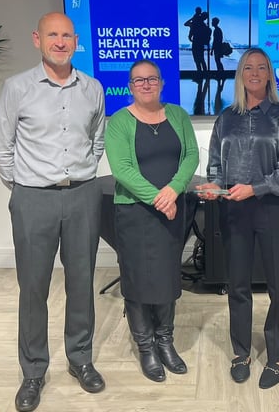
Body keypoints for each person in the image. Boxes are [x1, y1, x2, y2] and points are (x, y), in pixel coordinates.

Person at [0, 12, 106, 412]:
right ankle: (33, 371)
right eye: (52, 35)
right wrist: (25, 186)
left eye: (66, 36)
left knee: (82, 282)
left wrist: (80, 176)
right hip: (33, 199)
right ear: (37, 39)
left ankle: (81, 359)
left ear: (76, 41)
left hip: (82, 196)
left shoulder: (92, 88)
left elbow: (96, 141)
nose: (60, 42)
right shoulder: (17, 87)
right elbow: (2, 147)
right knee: (33, 287)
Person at [196, 47, 279, 389]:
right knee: (237, 285)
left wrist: (254, 189)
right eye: (247, 67)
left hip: (272, 210)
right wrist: (214, 185)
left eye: (261, 68)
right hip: (234, 211)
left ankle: (278, 355)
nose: (254, 73)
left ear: (269, 75)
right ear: (239, 74)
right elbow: (215, 163)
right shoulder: (226, 117)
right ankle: (241, 352)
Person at [104, 59, 199, 383]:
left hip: (172, 210)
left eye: (152, 79)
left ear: (161, 83)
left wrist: (173, 191)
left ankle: (165, 341)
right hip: (135, 213)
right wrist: (159, 199)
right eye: (139, 80)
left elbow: (191, 156)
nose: (146, 84)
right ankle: (145, 347)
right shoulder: (119, 121)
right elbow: (122, 169)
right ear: (130, 87)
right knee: (137, 280)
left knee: (168, 277)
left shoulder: (178, 115)